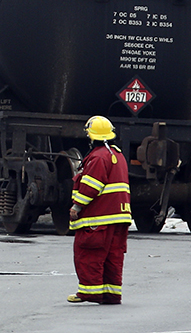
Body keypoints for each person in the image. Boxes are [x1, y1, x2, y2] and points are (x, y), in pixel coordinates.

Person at [67, 115, 132, 304]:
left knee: (89, 255)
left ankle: (89, 293)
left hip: (99, 219)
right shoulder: (117, 155)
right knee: (113, 257)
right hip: (119, 217)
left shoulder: (97, 157)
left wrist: (76, 207)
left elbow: (90, 187)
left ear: (91, 136)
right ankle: (112, 294)